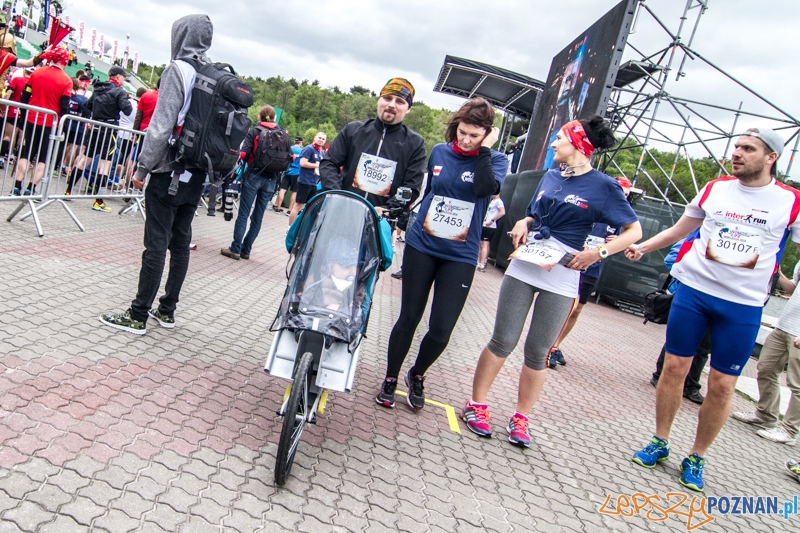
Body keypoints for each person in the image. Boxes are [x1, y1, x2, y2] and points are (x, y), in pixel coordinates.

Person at [625, 127, 800, 492]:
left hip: (743, 305)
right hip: (696, 291)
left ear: (771, 158)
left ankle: (697, 456)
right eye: (736, 146)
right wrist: (641, 247)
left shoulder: (790, 201)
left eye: (748, 148)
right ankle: (660, 440)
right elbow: (678, 231)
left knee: (722, 386)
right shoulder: (715, 189)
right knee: (674, 367)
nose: (737, 153)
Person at [462, 115, 641, 448]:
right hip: (526, 265)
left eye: (560, 137)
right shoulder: (550, 175)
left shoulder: (604, 186)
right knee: (503, 340)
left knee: (538, 351)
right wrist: (524, 223)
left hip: (564, 275)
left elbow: (635, 231)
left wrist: (598, 252)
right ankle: (476, 405)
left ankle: (521, 418)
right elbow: (533, 214)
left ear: (579, 144)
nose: (554, 143)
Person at [375, 97, 507, 411]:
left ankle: (417, 373)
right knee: (409, 316)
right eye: (462, 132)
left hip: (460, 254)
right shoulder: (439, 151)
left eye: (475, 136)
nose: (466, 139)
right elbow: (431, 189)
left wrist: (483, 151)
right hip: (424, 244)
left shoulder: (495, 160)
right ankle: (391, 377)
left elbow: (484, 189)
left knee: (442, 328)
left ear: (487, 135)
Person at [99, 14, 214, 335]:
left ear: (181, 36)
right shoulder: (212, 73)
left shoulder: (178, 70)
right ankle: (167, 310)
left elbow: (161, 126)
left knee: (156, 243)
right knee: (180, 244)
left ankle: (137, 314)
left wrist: (142, 168)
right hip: (197, 171)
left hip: (169, 170)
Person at [548, 177, 632, 367]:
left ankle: (556, 345)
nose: (623, 199)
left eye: (626, 196)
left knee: (577, 309)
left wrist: (615, 243)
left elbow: (626, 237)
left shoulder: (618, 217)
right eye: (621, 194)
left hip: (592, 267)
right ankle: (547, 344)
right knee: (565, 304)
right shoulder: (590, 204)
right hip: (571, 261)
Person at [320, 77, 426, 214]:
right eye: (387, 98)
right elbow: (328, 163)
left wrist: (389, 209)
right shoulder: (353, 130)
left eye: (399, 101)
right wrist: (337, 195)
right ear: (379, 100)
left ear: (408, 109)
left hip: (380, 222)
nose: (392, 105)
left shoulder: (415, 143)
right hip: (339, 212)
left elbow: (411, 187)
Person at [730, 261, 800, 445]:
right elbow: (793, 288)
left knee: (797, 383)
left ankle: (789, 431)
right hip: (783, 326)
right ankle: (766, 415)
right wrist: (778, 273)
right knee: (766, 368)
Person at [649, 231, 709, 405]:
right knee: (678, 340)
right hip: (688, 294)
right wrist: (692, 274)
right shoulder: (695, 237)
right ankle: (660, 375)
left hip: (713, 297)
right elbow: (671, 259)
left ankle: (690, 386)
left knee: (704, 346)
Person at [221, 105, 287, 260]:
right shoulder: (283, 133)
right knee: (258, 217)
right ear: (274, 118)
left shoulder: (255, 132)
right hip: (272, 180)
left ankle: (235, 248)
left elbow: (244, 154)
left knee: (243, 214)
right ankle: (246, 250)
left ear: (259, 117)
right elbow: (289, 157)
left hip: (254, 176)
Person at [12, 48, 72, 196]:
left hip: (31, 119)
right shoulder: (67, 81)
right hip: (50, 123)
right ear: (65, 62)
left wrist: (23, 117)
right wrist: (60, 126)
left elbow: (25, 97)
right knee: (43, 158)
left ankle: (17, 186)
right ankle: (31, 189)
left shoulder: (36, 73)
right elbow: (64, 107)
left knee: (26, 153)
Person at [288, 132, 326, 227]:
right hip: (304, 181)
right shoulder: (309, 149)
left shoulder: (321, 152)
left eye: (323, 139)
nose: (321, 140)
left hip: (314, 183)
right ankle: (290, 228)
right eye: (319, 137)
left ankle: (300, 227)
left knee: (310, 207)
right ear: (315, 137)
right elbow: (303, 163)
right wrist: (316, 165)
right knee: (298, 205)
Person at [274, 135, 302, 214]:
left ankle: (278, 208)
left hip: (287, 171)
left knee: (282, 190)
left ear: (294, 141)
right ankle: (289, 210)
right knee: (294, 192)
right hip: (296, 173)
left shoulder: (289, 148)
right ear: (300, 143)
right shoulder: (302, 151)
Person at [477, 194, 505, 271]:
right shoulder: (491, 201)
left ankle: (481, 264)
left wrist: (492, 220)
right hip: (485, 225)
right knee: (484, 244)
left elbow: (502, 212)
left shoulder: (499, 201)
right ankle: (483, 261)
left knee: (484, 244)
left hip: (489, 226)